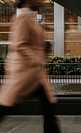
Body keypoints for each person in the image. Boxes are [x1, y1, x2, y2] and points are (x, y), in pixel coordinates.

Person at [0, 0, 60, 133]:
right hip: (26, 71)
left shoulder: (30, 19)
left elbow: (32, 41)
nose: (40, 2)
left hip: (34, 73)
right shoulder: (22, 18)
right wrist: (36, 59)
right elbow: (19, 45)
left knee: (48, 107)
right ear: (28, 1)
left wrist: (42, 28)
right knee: (8, 104)